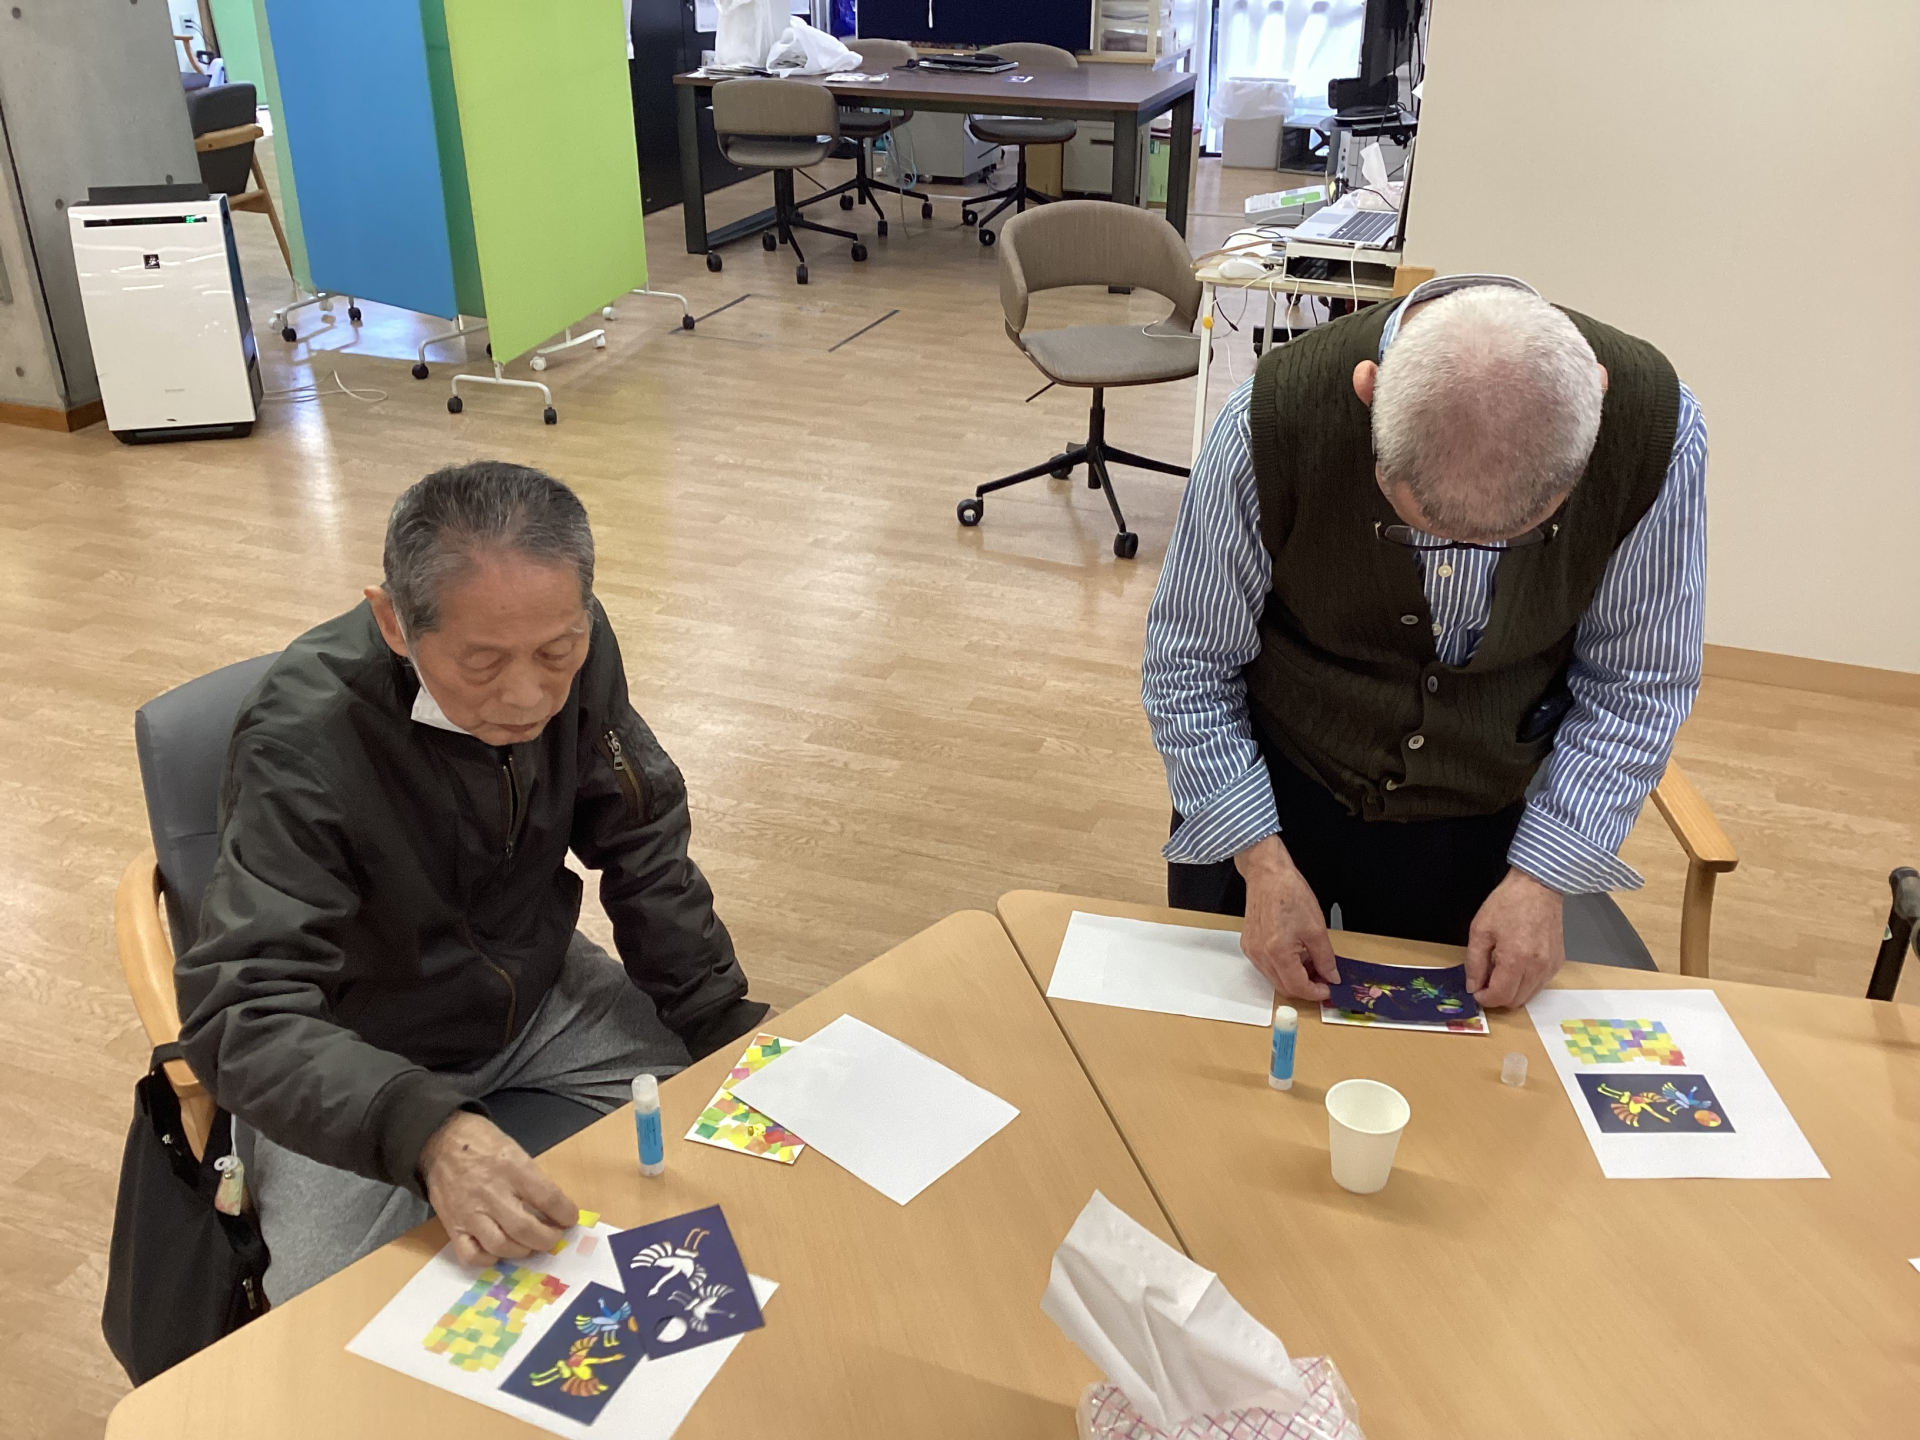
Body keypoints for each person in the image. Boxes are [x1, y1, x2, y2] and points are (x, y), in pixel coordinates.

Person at [176, 462, 767, 1303]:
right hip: (358, 1044)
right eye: (482, 662)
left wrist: (720, 1015)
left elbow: (641, 840)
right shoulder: (303, 741)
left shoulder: (578, 647)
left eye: (557, 652)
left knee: (734, 1131)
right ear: (393, 621)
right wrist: (427, 1130)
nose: (529, 696)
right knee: (332, 1312)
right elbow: (238, 1008)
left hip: (536, 993)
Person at [1142, 276, 1706, 1010]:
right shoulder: (1269, 421)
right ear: (1369, 393)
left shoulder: (1656, 436)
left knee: (1445, 1059)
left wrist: (1545, 875)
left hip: (1484, 808)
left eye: (1514, 538)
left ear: (1595, 404)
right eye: (1421, 528)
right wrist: (1260, 860)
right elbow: (1189, 663)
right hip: (1272, 776)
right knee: (1226, 1033)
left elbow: (1637, 683)